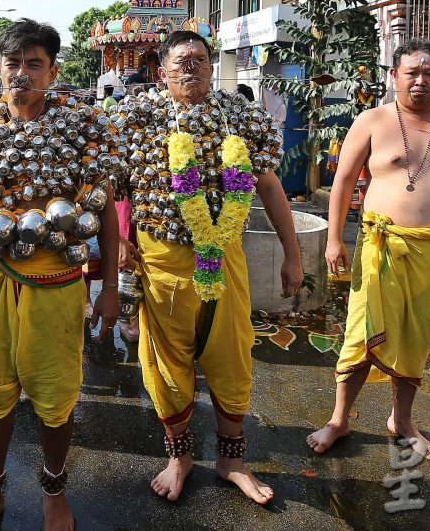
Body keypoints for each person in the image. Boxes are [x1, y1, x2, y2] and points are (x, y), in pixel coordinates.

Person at [0, 18, 119, 531]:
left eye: (33, 64)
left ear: (52, 71)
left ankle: (53, 495)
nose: (22, 73)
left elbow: (104, 211)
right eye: (13, 63)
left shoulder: (84, 126)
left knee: (56, 397)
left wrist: (108, 287)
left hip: (58, 285)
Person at [114, 31, 301, 504]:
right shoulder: (136, 116)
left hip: (225, 258)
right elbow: (106, 183)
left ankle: (231, 460)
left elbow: (269, 185)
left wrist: (293, 253)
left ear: (212, 66)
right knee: (165, 360)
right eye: (181, 62)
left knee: (232, 354)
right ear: (162, 72)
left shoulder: (239, 114)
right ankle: (179, 458)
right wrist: (116, 238)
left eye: (200, 59)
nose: (191, 68)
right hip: (160, 259)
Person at [307, 39, 430, 462]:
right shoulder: (372, 120)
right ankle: (339, 418)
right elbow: (344, 183)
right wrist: (335, 239)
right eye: (412, 73)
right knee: (360, 333)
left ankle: (401, 421)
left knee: (417, 336)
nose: (421, 82)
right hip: (379, 248)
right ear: (394, 75)